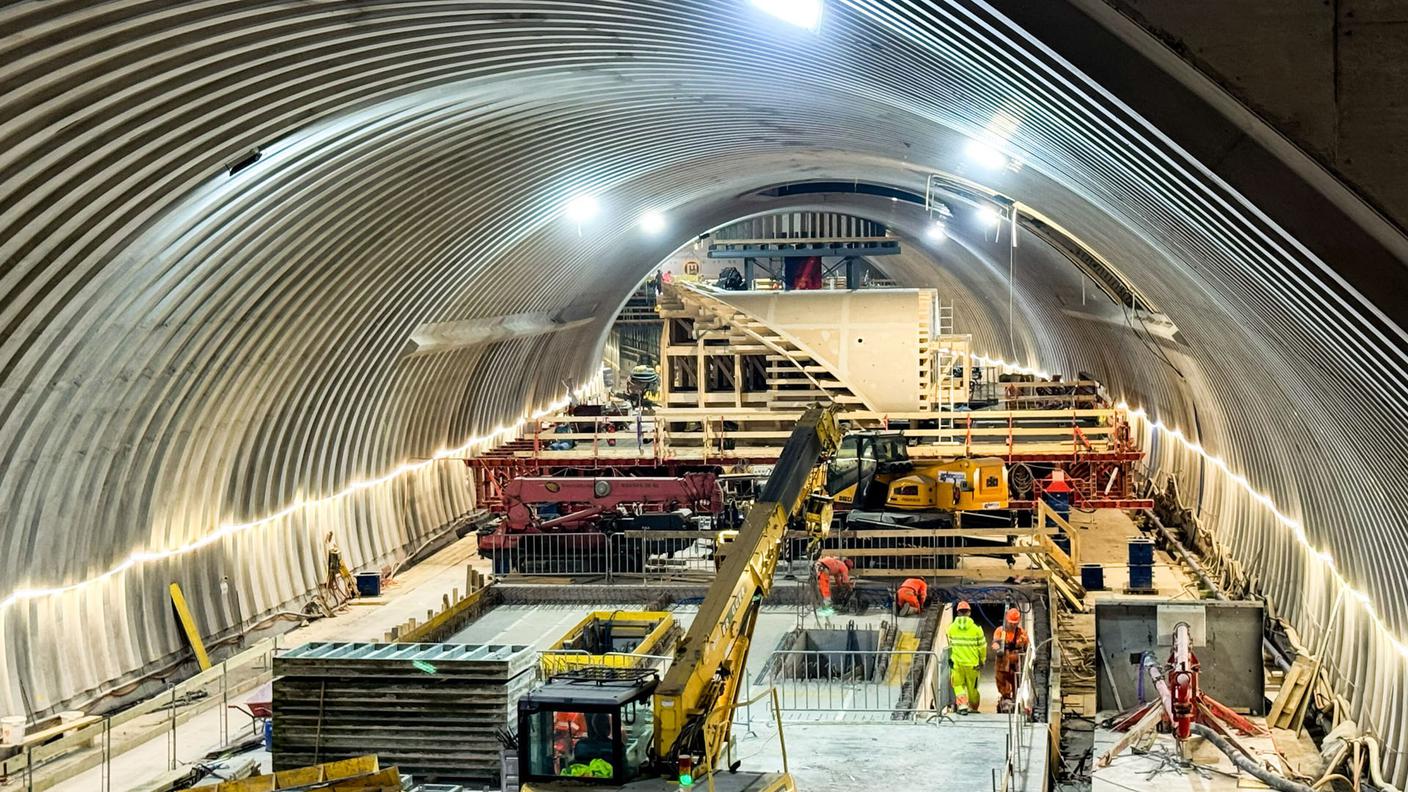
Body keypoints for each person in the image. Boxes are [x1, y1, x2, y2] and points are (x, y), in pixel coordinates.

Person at [946, 600, 987, 714]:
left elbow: (950, 645)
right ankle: (974, 708)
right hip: (973, 665)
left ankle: (962, 705)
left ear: (958, 612)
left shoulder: (951, 628)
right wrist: (982, 661)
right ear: (969, 613)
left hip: (957, 664)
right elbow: (982, 648)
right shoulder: (976, 629)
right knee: (972, 688)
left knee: (958, 685)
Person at [992, 608, 1029, 713]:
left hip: (1016, 664)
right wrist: (997, 647)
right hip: (1003, 664)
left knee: (1017, 682)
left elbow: (1027, 647)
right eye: (1011, 623)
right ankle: (1006, 699)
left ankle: (1016, 699)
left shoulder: (1021, 633)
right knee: (1002, 682)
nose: (1013, 625)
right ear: (1006, 620)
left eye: (1015, 623)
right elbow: (995, 642)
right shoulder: (1000, 631)